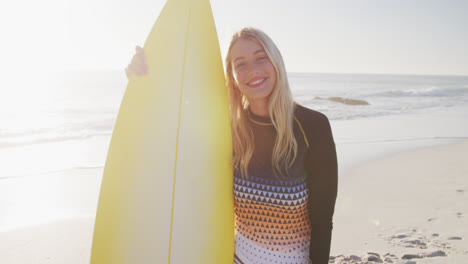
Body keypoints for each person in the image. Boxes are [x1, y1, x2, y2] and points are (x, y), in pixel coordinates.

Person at [125, 27, 337, 264]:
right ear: (232, 76)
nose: (253, 70)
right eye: (241, 64)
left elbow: (322, 220)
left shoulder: (313, 127)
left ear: (276, 61)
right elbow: (171, 133)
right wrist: (143, 82)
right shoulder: (229, 130)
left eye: (260, 58)